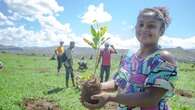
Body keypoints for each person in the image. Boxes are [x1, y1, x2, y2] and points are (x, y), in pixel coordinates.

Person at [83, 7, 177, 110]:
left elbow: (150, 98)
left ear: (161, 30)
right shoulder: (130, 56)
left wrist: (109, 97)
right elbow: (118, 82)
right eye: (141, 24)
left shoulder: (163, 58)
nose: (144, 29)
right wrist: (97, 87)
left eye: (151, 26)